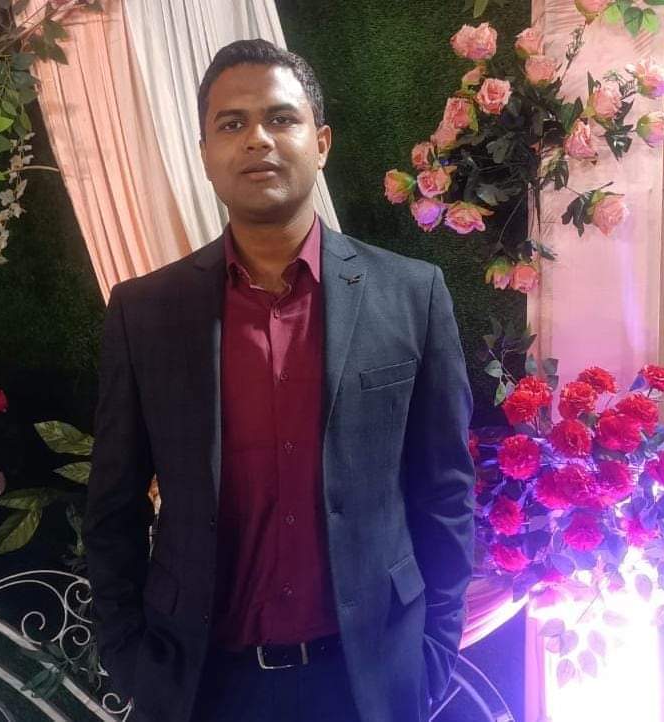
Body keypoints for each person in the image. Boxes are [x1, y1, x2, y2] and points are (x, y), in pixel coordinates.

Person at [81, 38, 475, 722]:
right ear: (205, 154)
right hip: (202, 685)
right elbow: (113, 507)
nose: (257, 139)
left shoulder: (412, 295)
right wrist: (131, 659)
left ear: (320, 143)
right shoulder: (145, 312)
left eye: (280, 118)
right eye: (231, 123)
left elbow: (445, 491)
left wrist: (435, 650)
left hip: (367, 680)